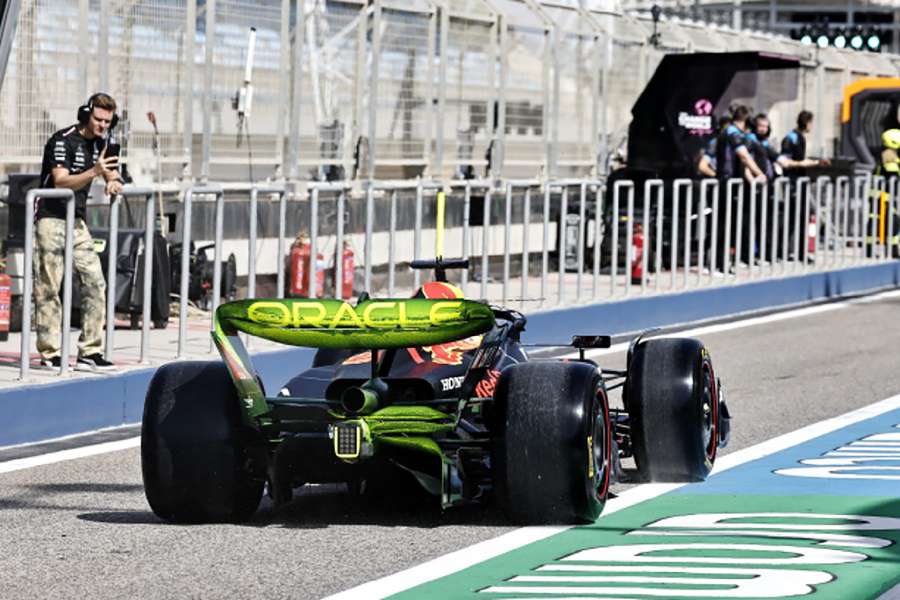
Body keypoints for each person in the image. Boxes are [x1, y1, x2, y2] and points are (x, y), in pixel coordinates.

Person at [35, 93, 123, 371]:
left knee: (95, 282)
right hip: (52, 219)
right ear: (86, 114)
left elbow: (111, 172)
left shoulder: (102, 142)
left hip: (77, 222)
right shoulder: (62, 140)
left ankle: (90, 350)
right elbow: (61, 181)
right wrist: (94, 172)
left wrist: (113, 181)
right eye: (98, 119)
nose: (102, 126)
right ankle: (50, 353)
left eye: (107, 121)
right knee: (49, 288)